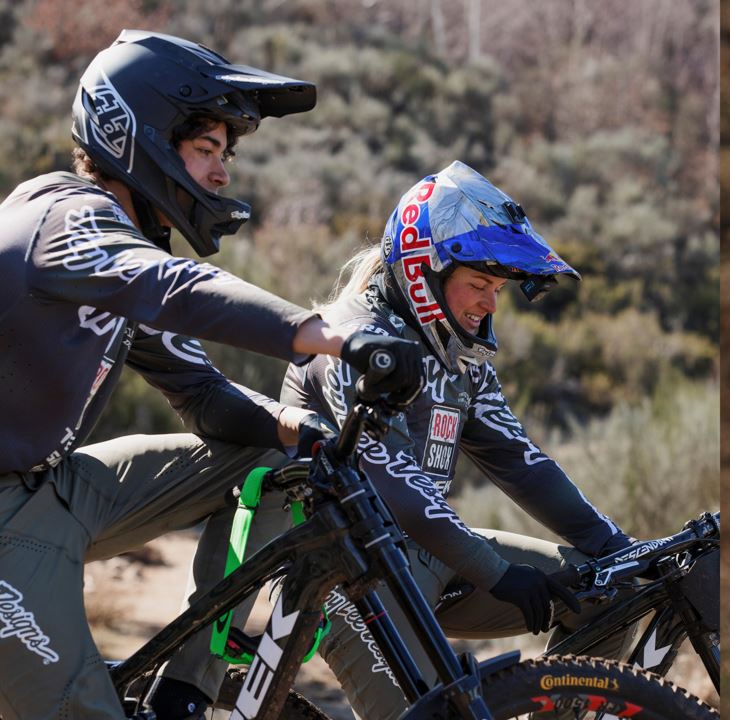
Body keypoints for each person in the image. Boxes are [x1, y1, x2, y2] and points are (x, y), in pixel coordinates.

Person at [0, 30, 423, 719]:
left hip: (44, 491)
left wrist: (294, 430)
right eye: (206, 151)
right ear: (139, 139)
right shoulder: (66, 218)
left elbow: (200, 393)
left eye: (223, 155)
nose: (222, 175)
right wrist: (328, 335)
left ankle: (185, 690)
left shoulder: (116, 261)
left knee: (279, 460)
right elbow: (173, 286)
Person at [177, 160, 637, 720]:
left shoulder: (458, 357)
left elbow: (523, 465)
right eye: (479, 285)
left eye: (497, 289)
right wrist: (496, 574)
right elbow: (394, 485)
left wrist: (619, 549)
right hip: (345, 579)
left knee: (609, 594)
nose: (491, 304)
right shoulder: (349, 340)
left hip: (426, 559)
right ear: (425, 271)